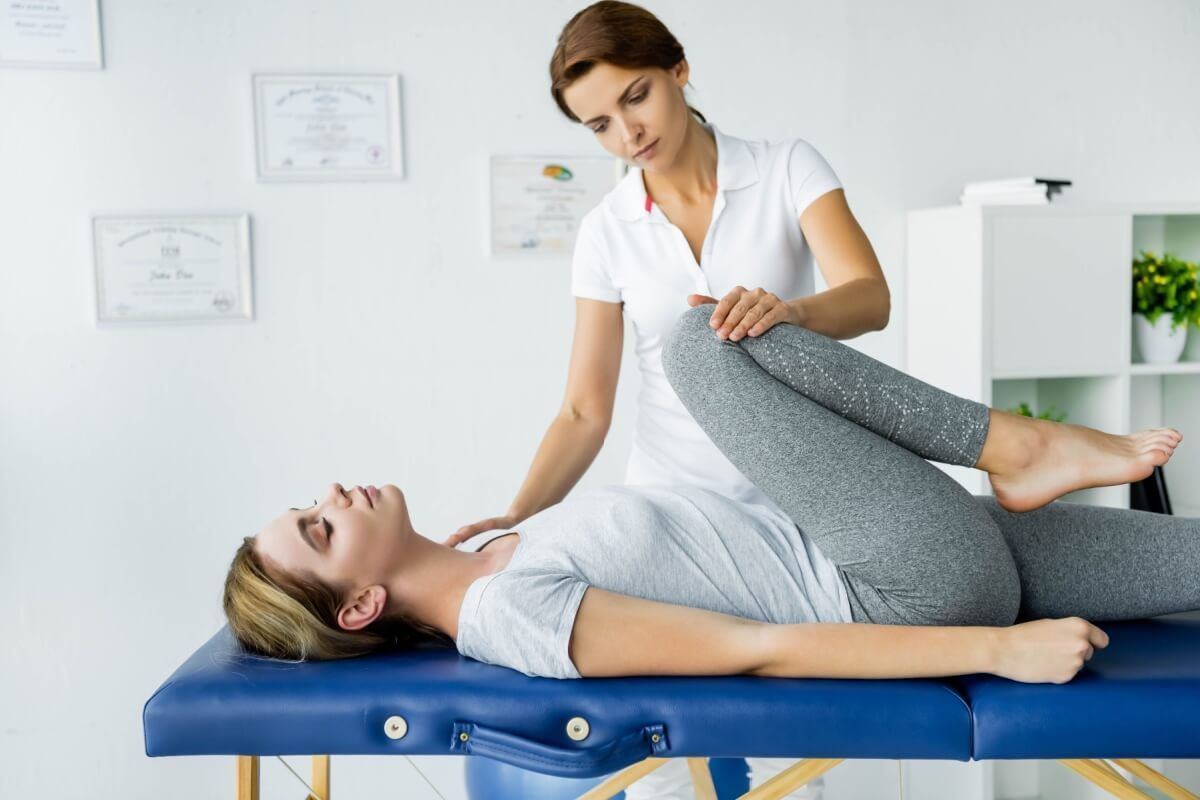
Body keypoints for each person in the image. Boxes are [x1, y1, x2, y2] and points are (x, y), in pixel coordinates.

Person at [225, 304, 1196, 699]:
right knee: (700, 341)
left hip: (910, 540)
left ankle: (1023, 452)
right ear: (359, 605)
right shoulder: (509, 613)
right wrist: (997, 649)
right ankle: (1018, 446)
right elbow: (754, 647)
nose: (334, 495)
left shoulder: (495, 553)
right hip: (904, 584)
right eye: (320, 527)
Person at [452, 3, 895, 791]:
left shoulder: (786, 168)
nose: (628, 133)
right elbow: (584, 409)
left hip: (795, 506)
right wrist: (518, 514)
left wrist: (791, 314)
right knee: (663, 764)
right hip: (672, 523)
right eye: (599, 124)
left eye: (637, 97)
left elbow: (869, 296)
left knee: (794, 761)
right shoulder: (607, 230)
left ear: (679, 71)